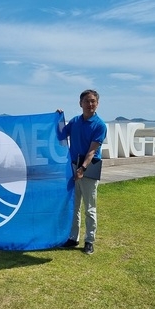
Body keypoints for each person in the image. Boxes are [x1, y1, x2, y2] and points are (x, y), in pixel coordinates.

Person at [57, 89, 107, 255]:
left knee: (89, 208)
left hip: (89, 168)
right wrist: (58, 118)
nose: (90, 104)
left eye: (93, 101)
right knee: (74, 206)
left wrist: (82, 169)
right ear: (80, 103)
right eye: (86, 101)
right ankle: (73, 237)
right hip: (73, 167)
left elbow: (92, 151)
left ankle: (89, 241)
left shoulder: (99, 125)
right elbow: (60, 134)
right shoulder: (75, 121)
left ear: (97, 104)